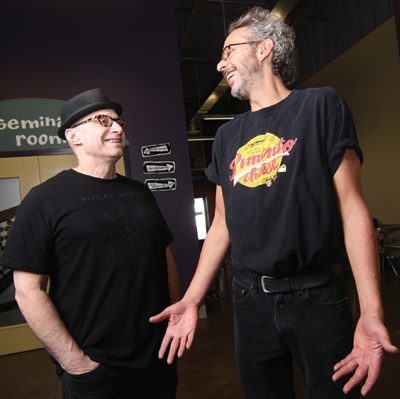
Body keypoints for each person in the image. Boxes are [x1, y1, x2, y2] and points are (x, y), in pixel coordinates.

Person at [150, 7, 398, 399]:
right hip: (250, 301)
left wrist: (371, 311)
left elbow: (353, 210)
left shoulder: (320, 107)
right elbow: (220, 227)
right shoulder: (226, 137)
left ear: (264, 49)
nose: (220, 63)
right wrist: (192, 298)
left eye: (229, 50)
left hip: (318, 295)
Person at [0, 88, 180, 399]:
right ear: (74, 136)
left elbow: (164, 255)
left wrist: (174, 319)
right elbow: (27, 291)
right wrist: (75, 362)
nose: (118, 128)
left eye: (119, 121)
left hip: (157, 358)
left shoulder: (140, 193)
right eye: (102, 120)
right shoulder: (44, 200)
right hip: (95, 367)